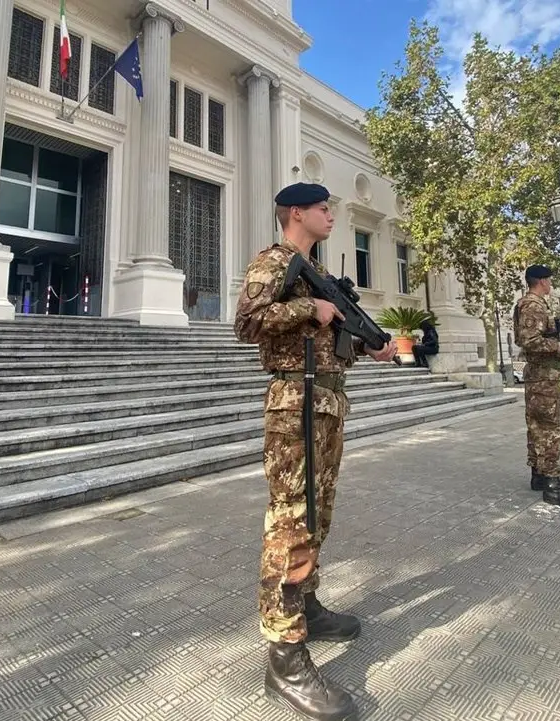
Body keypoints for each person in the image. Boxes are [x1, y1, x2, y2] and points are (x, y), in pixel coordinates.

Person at [234, 181, 398, 720]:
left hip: (326, 401)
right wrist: (310, 307)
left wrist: (367, 347)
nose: (331, 215)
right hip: (294, 402)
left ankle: (305, 604)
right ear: (296, 213)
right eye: (323, 208)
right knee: (291, 522)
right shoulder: (274, 262)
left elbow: (330, 335)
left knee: (319, 513)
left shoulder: (318, 272)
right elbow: (247, 322)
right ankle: (285, 659)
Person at [513, 264, 560, 511]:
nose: (551, 284)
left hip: (539, 376)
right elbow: (530, 341)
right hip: (543, 377)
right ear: (542, 281)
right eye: (549, 280)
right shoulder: (533, 305)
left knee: (537, 425)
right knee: (549, 428)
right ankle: (553, 486)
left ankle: (539, 475)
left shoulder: (529, 305)